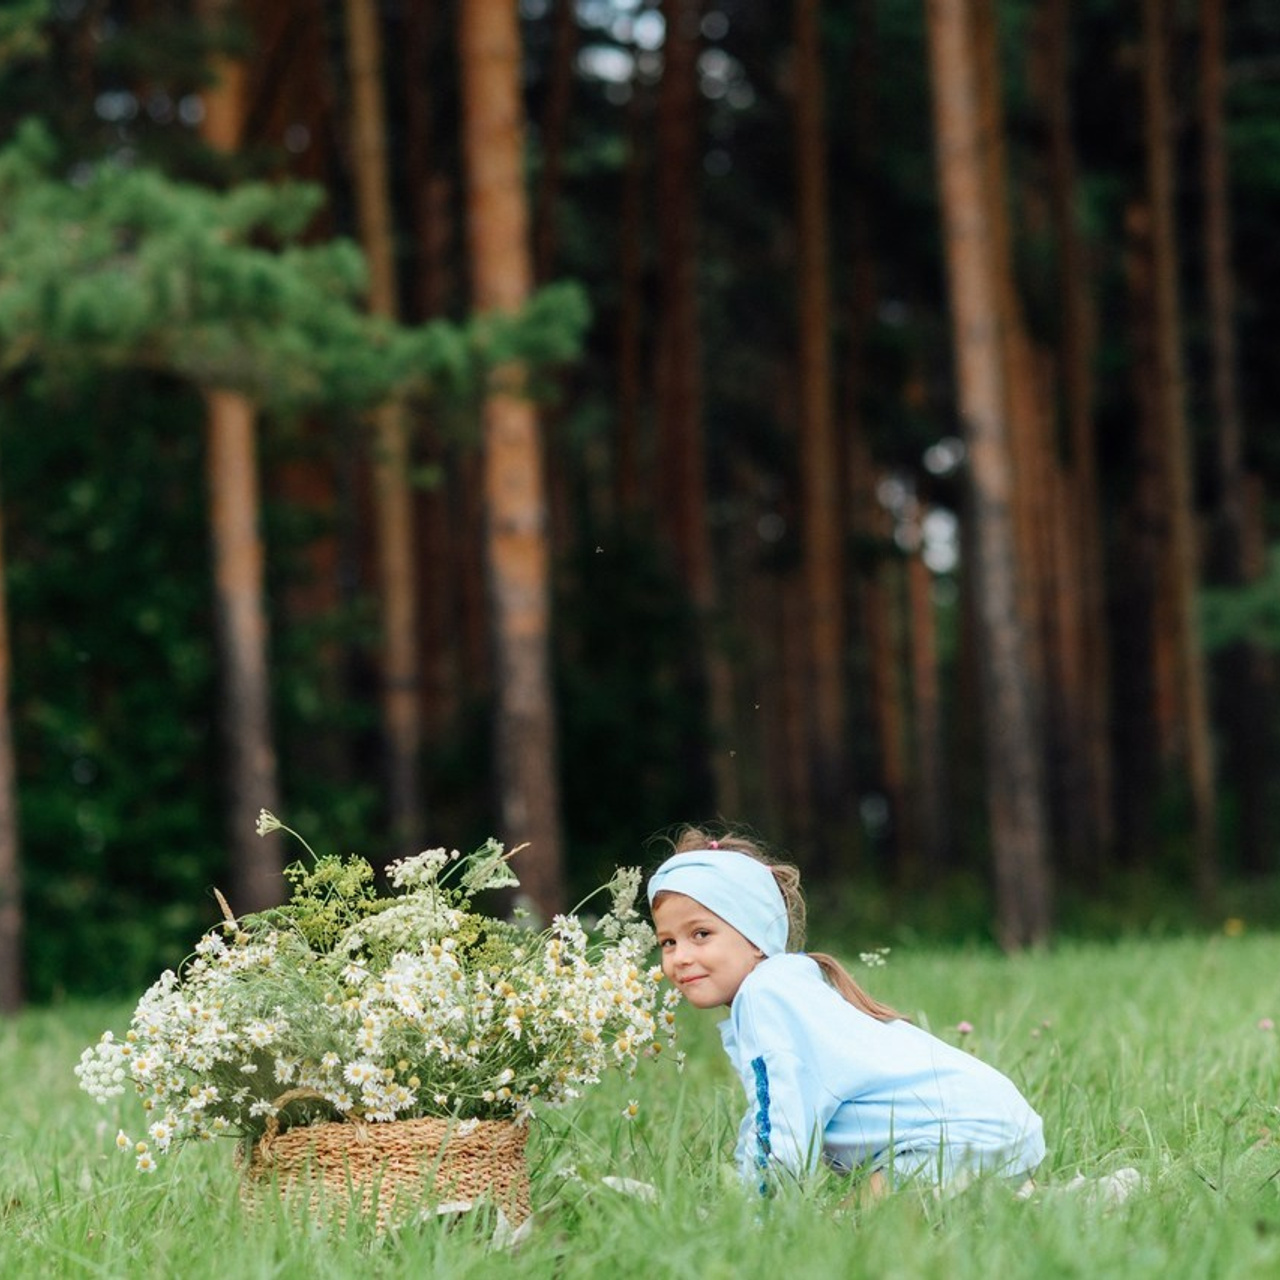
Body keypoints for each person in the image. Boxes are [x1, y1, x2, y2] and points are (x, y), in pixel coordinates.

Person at [647, 828, 1046, 1197]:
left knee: (851, 1229)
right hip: (989, 1128)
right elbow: (764, 1115)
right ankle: (1057, 1198)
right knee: (883, 1213)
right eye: (667, 942)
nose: (680, 957)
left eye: (701, 934)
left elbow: (781, 1124)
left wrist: (757, 1215)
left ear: (756, 937)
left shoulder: (765, 995)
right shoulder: (786, 985)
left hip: (958, 1137)